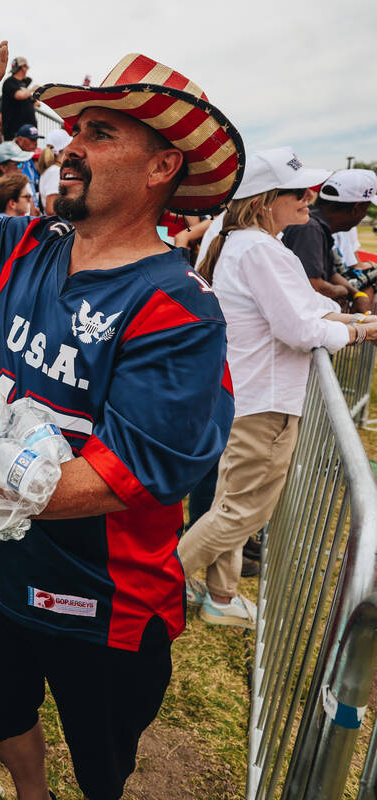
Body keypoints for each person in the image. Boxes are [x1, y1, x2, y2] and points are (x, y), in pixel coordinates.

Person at [0, 48, 243, 800]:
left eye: (100, 133)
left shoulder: (178, 306)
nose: (70, 145)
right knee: (2, 716)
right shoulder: (27, 249)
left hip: (105, 600)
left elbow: (126, 473)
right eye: (73, 129)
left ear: (160, 168)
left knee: (103, 761)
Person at [180, 149, 377, 628]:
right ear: (267, 200)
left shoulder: (249, 244)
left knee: (231, 504)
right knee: (242, 513)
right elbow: (302, 329)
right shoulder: (260, 249)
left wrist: (351, 319)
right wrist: (359, 331)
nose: (310, 197)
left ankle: (221, 598)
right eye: (297, 191)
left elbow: (305, 309)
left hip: (249, 396)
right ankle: (155, 582)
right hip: (265, 403)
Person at [282, 168, 377, 314]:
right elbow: (313, 285)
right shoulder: (310, 228)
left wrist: (357, 295)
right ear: (357, 208)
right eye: (366, 208)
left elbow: (331, 273)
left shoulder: (316, 224)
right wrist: (340, 291)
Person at [0, 55, 36, 140]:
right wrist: (32, 89)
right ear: (23, 67)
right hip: (14, 132)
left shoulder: (22, 85)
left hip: (28, 131)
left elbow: (25, 97)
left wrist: (33, 100)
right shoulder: (9, 82)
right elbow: (19, 95)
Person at [37, 128, 72, 215]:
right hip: (58, 225)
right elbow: (51, 209)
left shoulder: (52, 170)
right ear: (65, 149)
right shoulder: (55, 172)